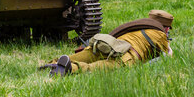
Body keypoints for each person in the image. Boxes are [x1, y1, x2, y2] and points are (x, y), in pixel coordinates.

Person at [42, 10, 174, 76]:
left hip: (107, 43)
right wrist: (169, 48)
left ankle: (53, 63)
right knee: (99, 67)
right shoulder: (160, 34)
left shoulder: (139, 25)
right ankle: (69, 69)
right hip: (126, 54)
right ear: (166, 28)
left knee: (88, 55)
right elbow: (167, 57)